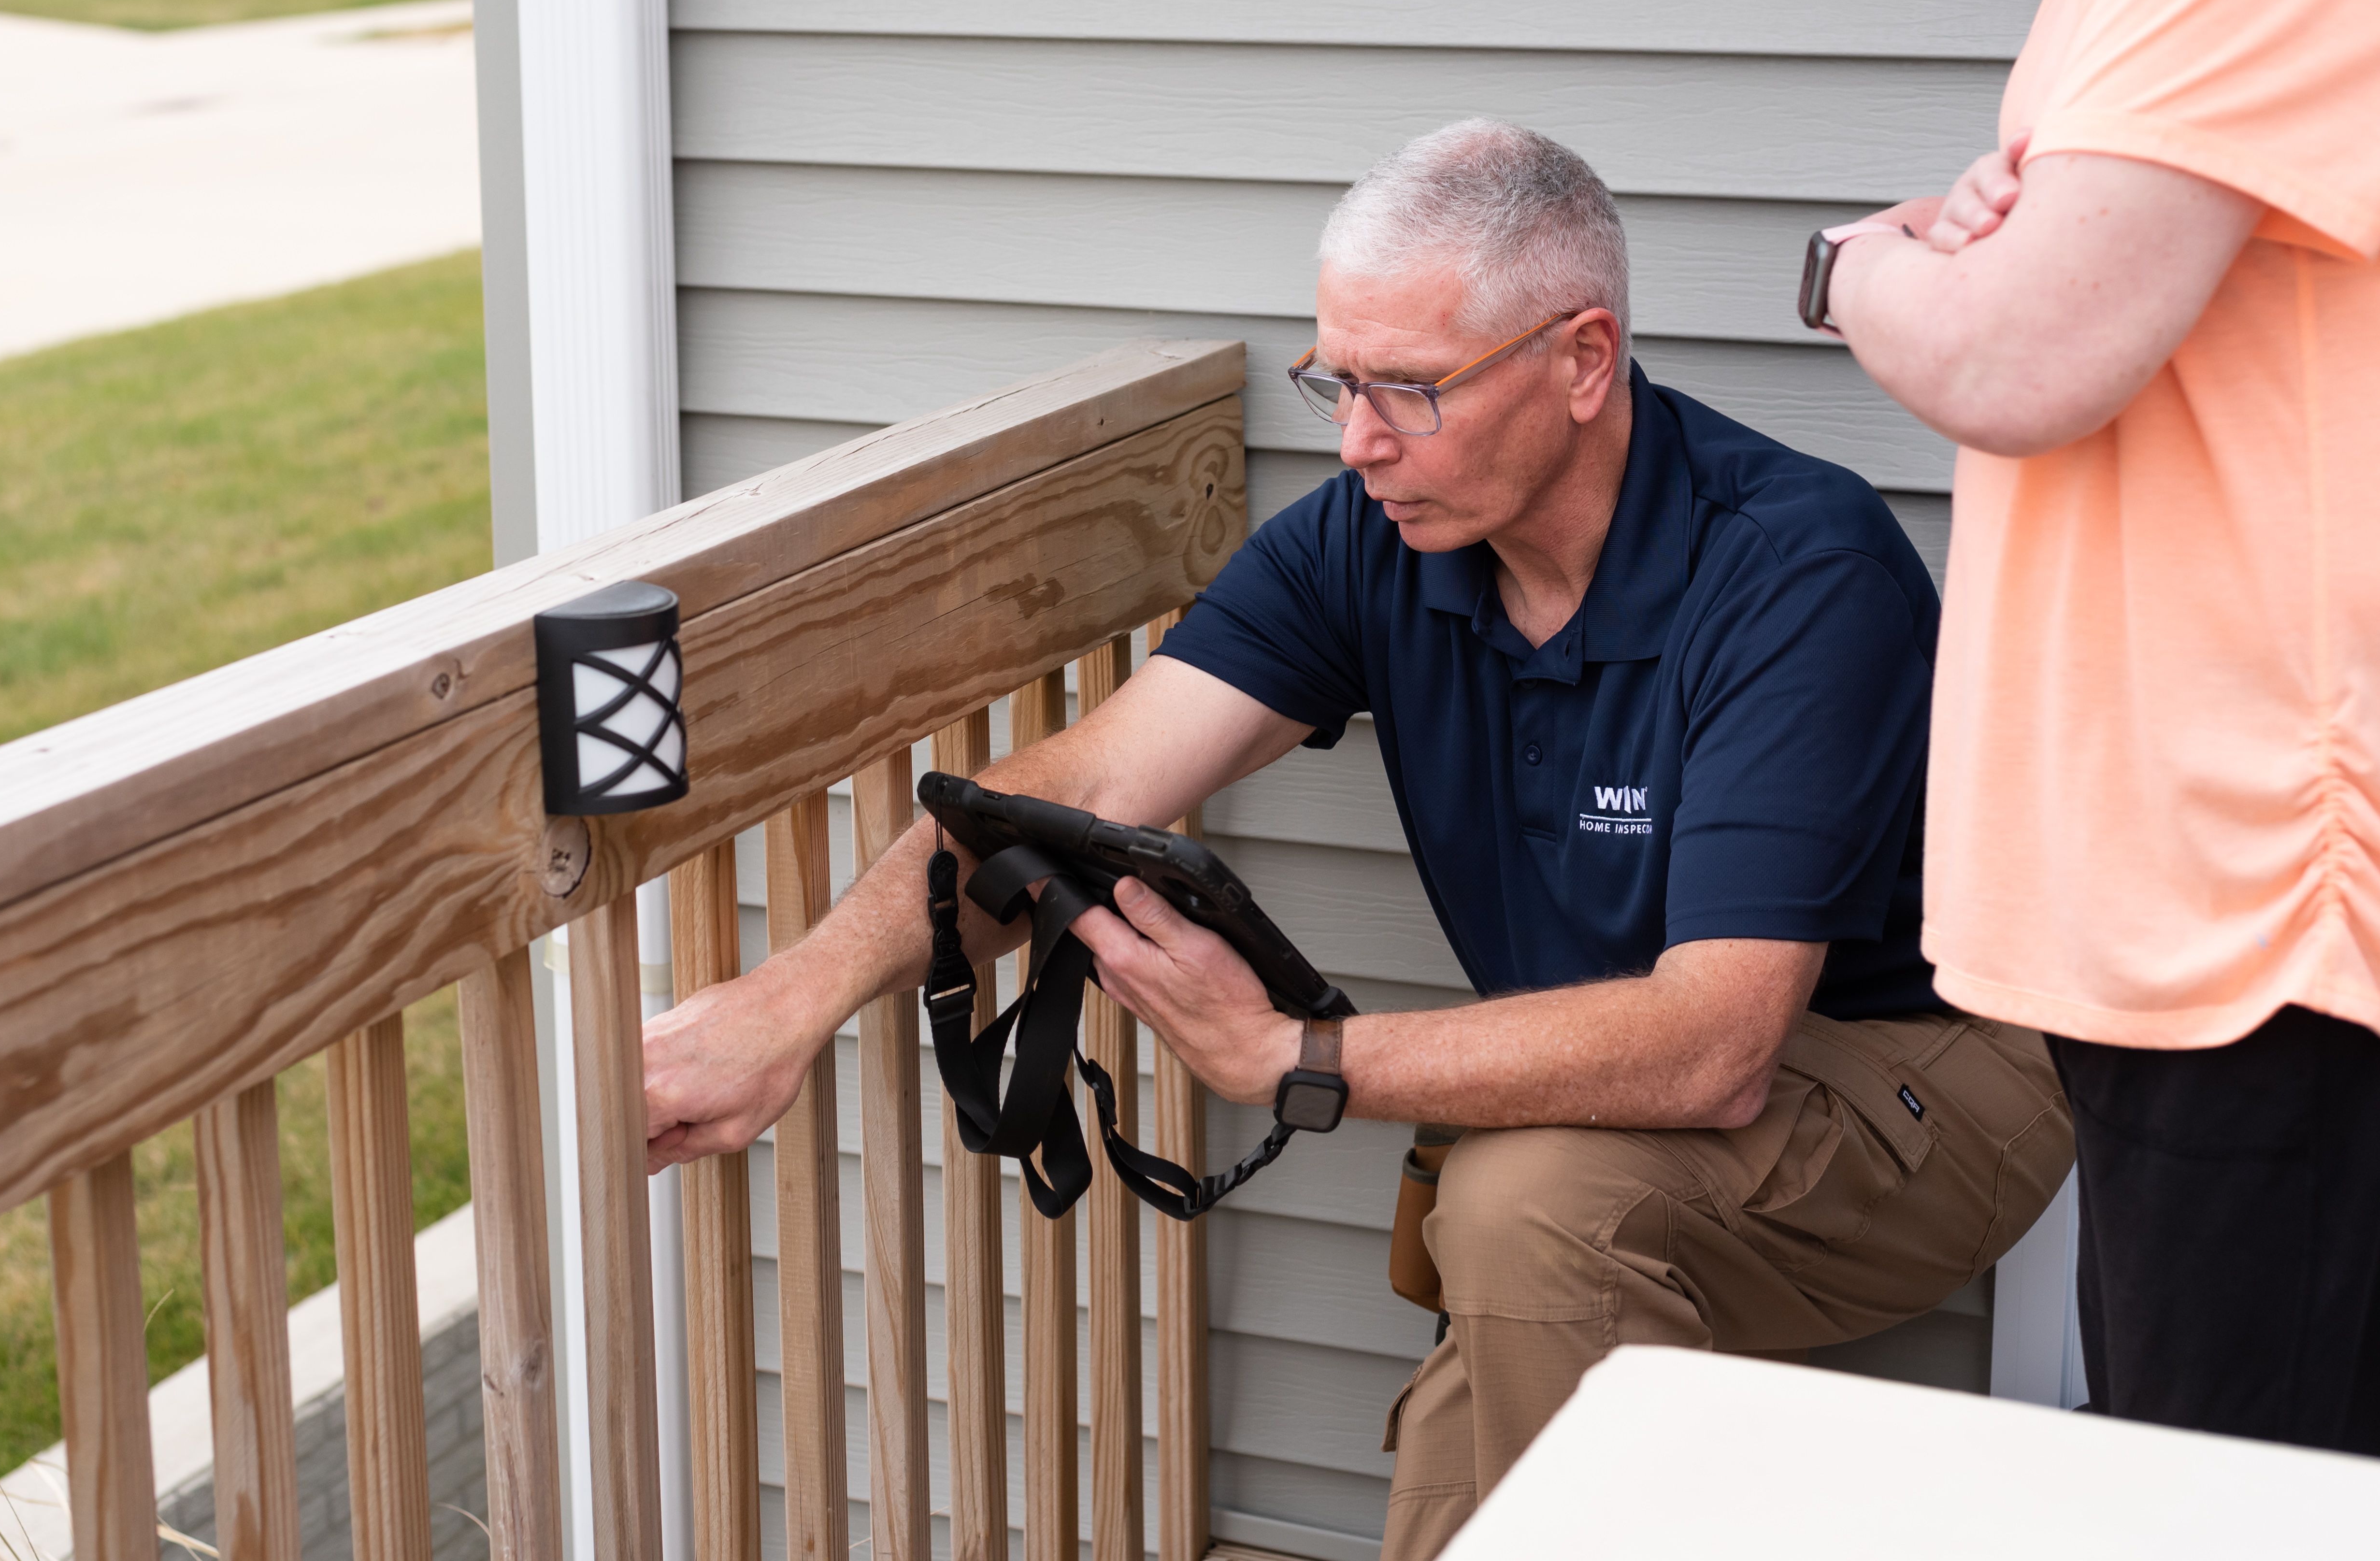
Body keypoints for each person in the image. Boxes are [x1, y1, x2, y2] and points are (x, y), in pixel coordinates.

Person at [643, 121, 2074, 1558]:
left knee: (1526, 1211)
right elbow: (1072, 790)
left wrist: (1297, 1063)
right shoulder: (1371, 538)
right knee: (1517, 1286)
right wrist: (787, 1006)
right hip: (1641, 1080)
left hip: (1936, 1067)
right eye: (1337, 379)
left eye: (1412, 390)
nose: (1357, 440)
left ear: (1583, 361)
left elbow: (1715, 1047)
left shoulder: (1793, 572)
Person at [1814, 0, 2380, 1461]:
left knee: (2241, 1488)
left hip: (2268, 882)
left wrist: (1856, 265)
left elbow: (2018, 358)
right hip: (2235, 869)